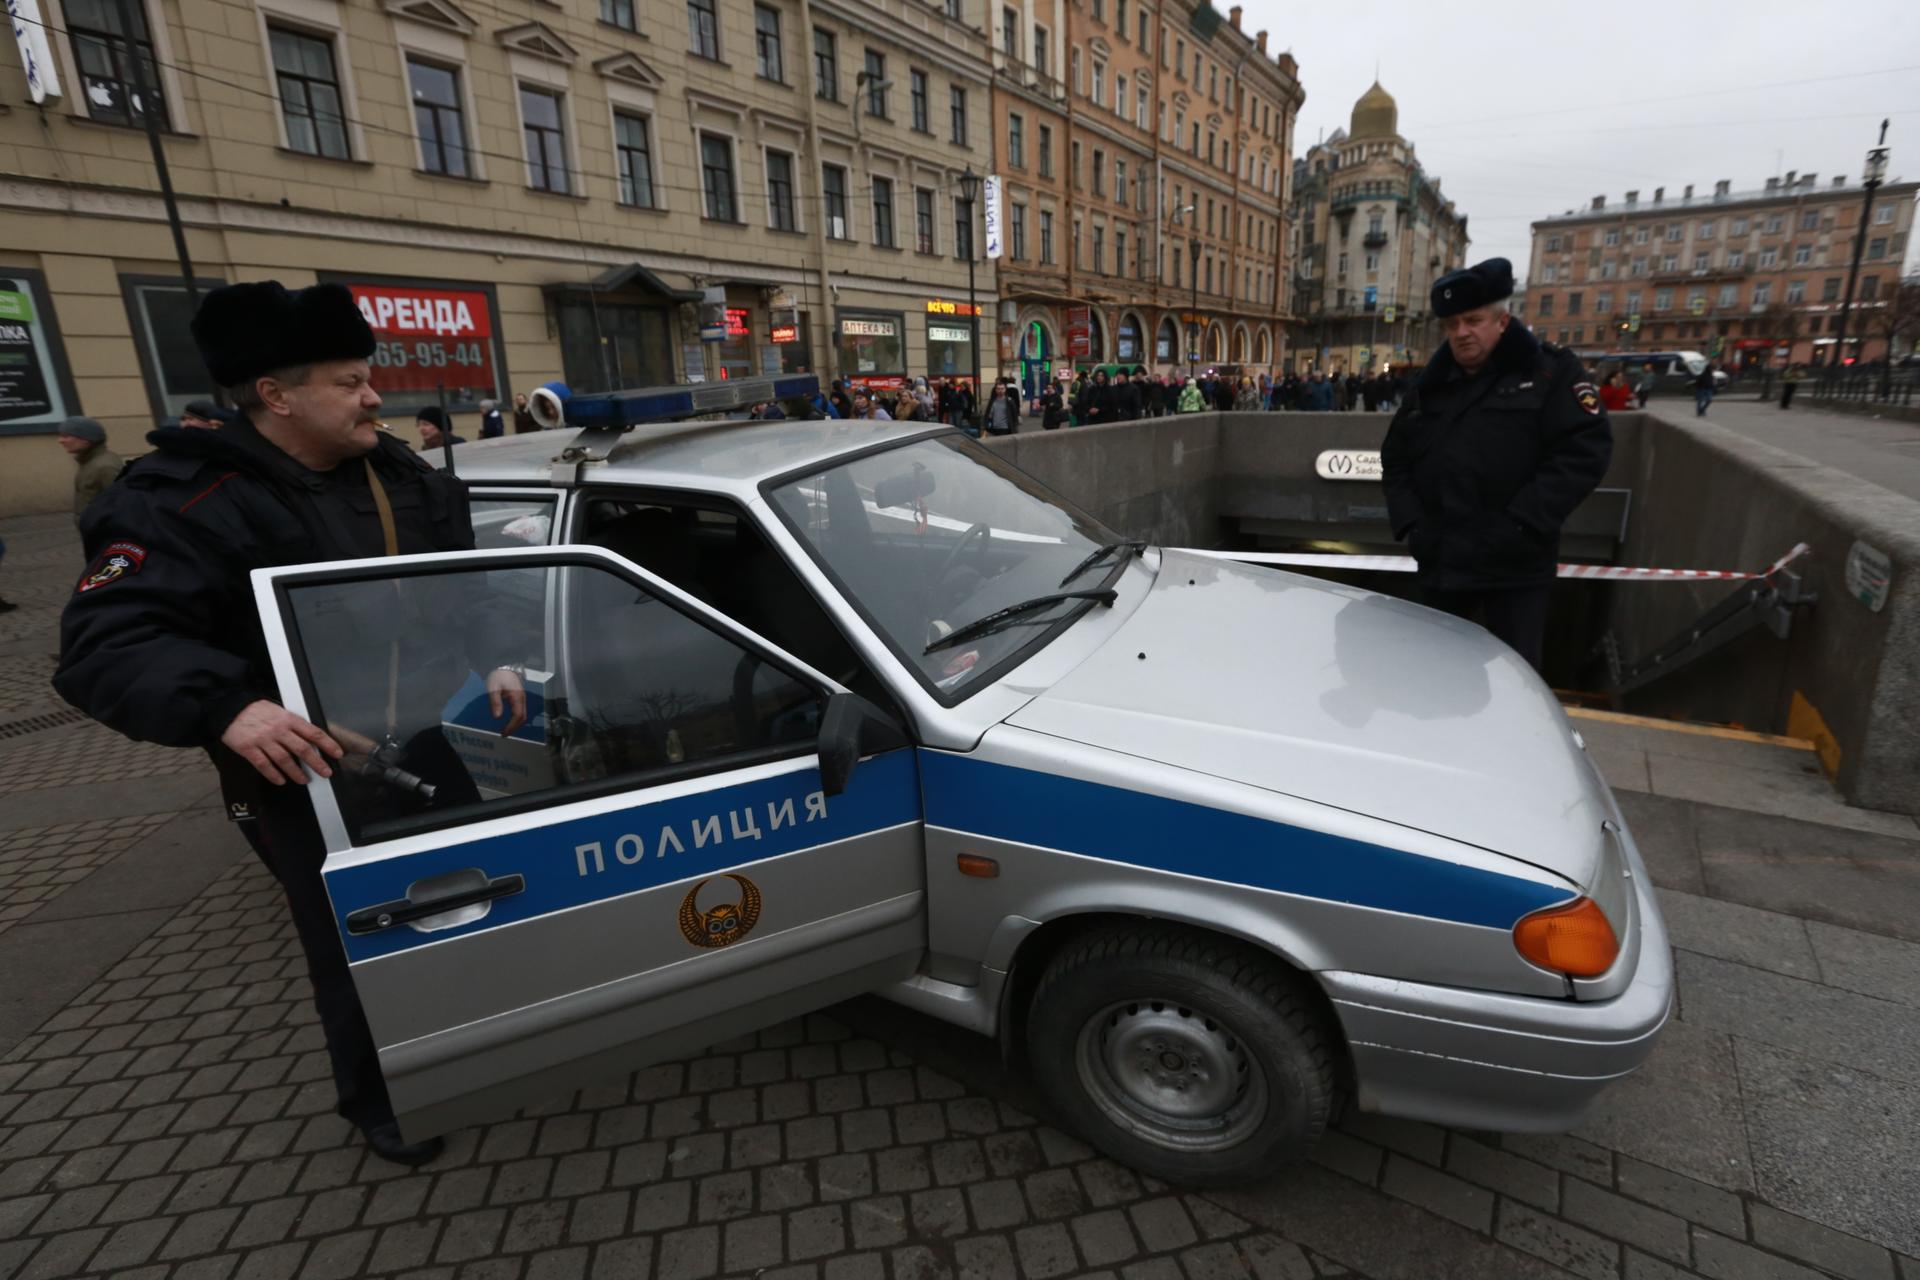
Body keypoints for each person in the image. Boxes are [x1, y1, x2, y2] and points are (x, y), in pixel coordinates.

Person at [55, 280, 526, 1168]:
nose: (373, 397)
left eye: (367, 379)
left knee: (476, 894)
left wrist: (496, 646)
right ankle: (381, 1100)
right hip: (303, 771)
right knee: (358, 943)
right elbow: (106, 646)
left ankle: (475, 1040)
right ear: (276, 394)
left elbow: (462, 576)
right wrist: (229, 706)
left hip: (423, 739)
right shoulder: (177, 499)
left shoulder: (397, 474)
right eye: (349, 381)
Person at [1380, 257, 1611, 672]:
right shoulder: (1431, 385)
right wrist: (1413, 525)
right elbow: (1395, 458)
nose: (1461, 333)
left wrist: (1521, 524)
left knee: (1515, 683)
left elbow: (1583, 453)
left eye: (1473, 320)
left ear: (1502, 322)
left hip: (1515, 571)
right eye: (1452, 325)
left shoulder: (1549, 373)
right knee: (1431, 677)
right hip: (1443, 566)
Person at [58, 417, 124, 524]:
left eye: (66, 436)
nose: (60, 441)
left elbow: (123, 506)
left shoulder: (105, 466)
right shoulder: (89, 462)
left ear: (86, 440)